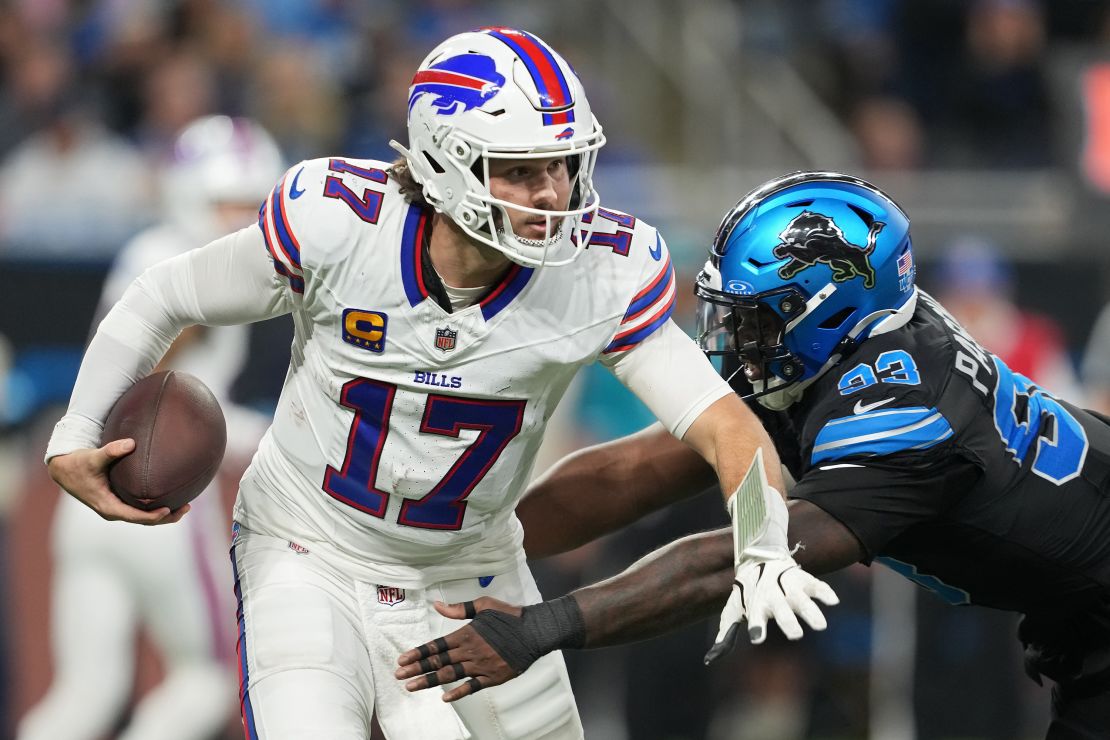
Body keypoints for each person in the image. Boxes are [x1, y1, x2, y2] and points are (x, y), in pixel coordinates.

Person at [42, 29, 834, 740]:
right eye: (520, 170)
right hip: (308, 550)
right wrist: (76, 433)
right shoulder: (341, 225)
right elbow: (162, 296)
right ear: (444, 165)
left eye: (562, 164)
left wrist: (763, 542)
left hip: (471, 567)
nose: (552, 193)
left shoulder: (600, 273)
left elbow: (726, 426)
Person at [398, 171, 1110, 739]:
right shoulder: (846, 345)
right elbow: (639, 471)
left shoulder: (905, 414)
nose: (734, 339)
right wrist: (455, 545)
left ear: (830, 307)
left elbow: (747, 554)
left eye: (755, 319)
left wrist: (542, 626)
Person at [19, 115, 282, 740]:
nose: (239, 217)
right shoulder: (182, 261)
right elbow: (159, 390)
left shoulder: (146, 249)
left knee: (86, 691)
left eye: (249, 201)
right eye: (226, 201)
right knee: (206, 679)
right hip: (154, 492)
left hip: (85, 494)